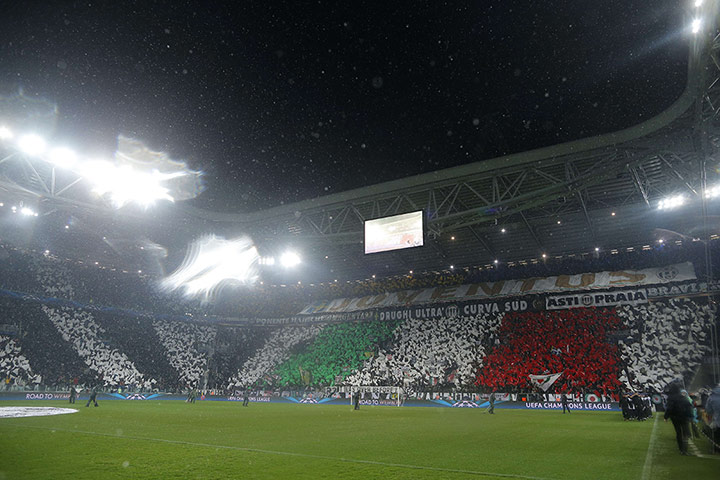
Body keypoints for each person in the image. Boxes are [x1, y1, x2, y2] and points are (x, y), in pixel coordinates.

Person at [664, 383, 693, 455]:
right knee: (685, 432)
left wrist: (666, 416)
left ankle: (681, 449)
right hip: (684, 416)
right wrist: (690, 416)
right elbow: (688, 406)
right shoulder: (683, 397)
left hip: (675, 417)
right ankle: (685, 449)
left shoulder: (671, 398)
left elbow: (669, 408)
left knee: (678, 432)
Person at [705, 385, 720, 453]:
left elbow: (709, 410)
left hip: (718, 420)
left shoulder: (711, 397)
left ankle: (716, 449)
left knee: (716, 435)